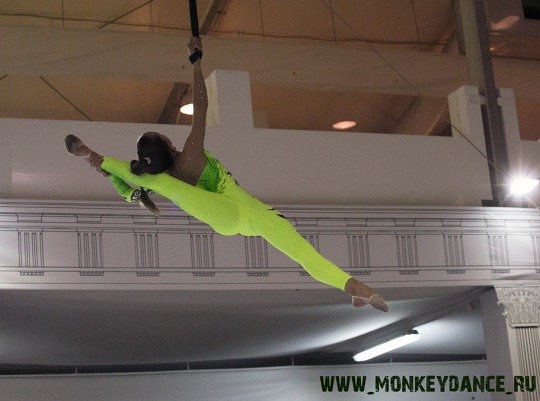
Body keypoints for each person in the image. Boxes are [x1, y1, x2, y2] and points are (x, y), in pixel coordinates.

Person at [65, 36, 388, 312]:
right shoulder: (190, 155)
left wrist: (107, 170)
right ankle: (353, 286)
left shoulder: (162, 175)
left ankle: (352, 287)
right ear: (168, 144)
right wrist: (196, 63)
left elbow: (128, 186)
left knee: (160, 184)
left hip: (227, 217)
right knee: (300, 251)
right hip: (242, 213)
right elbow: (201, 108)